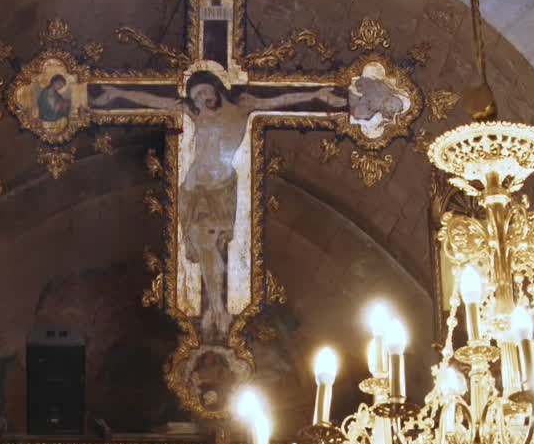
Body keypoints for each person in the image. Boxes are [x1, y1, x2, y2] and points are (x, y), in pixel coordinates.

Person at [87, 72, 345, 343]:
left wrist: (315, 95)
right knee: (203, 243)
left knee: (212, 245)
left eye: (205, 92)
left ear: (217, 88)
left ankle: (216, 306)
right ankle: (215, 307)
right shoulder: (192, 112)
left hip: (221, 189)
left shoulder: (244, 105)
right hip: (192, 189)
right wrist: (117, 94)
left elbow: (280, 99)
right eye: (196, 95)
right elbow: (152, 99)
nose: (201, 98)